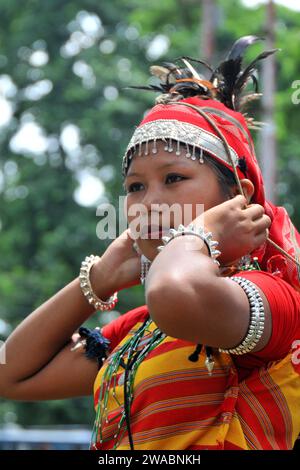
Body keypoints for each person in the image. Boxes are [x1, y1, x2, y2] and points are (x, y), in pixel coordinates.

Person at [0, 36, 299, 451]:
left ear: (239, 197)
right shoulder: (142, 329)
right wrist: (100, 279)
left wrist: (201, 235)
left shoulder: (271, 297)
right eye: (135, 186)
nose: (149, 203)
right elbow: (9, 373)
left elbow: (176, 292)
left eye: (173, 178)